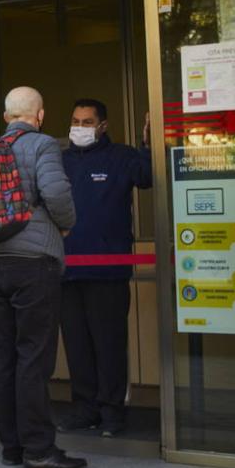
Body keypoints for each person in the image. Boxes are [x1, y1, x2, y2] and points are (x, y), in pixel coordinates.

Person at [0, 86, 86, 468]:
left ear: (6, 116)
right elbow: (57, 193)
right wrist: (66, 226)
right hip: (35, 262)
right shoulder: (43, 145)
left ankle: (12, 445)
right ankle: (40, 450)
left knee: (7, 354)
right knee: (34, 357)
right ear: (40, 115)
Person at [60, 99, 152, 437]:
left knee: (109, 345)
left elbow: (147, 176)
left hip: (109, 272)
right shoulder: (60, 161)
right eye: (75, 120)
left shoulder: (122, 157)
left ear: (102, 126)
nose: (79, 127)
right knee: (77, 346)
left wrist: (150, 142)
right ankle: (85, 409)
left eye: (86, 121)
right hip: (67, 272)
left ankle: (112, 412)